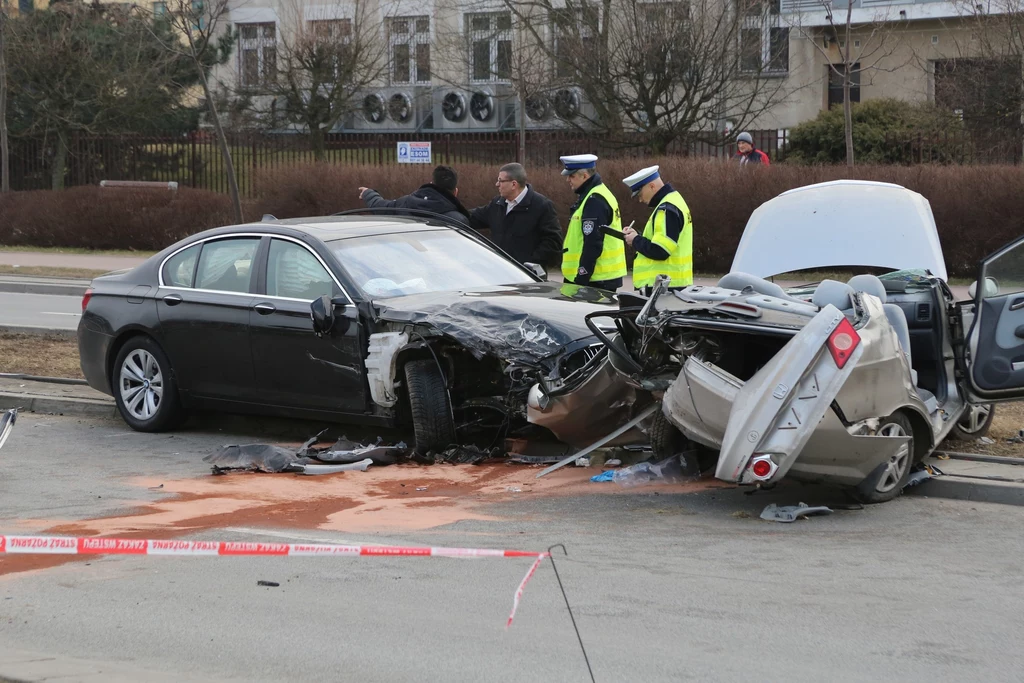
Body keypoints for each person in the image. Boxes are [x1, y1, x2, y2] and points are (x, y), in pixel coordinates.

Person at [467, 162, 562, 268]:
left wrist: (530, 264)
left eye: (500, 181)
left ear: (514, 184)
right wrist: (450, 211)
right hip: (499, 271)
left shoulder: (541, 206)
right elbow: (473, 217)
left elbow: (553, 242)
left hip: (527, 277)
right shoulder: (497, 203)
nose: (497, 184)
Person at [558, 154, 626, 292]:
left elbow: (593, 244)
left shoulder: (595, 200)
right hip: (598, 277)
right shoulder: (595, 194)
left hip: (594, 280)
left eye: (571, 176)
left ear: (584, 176)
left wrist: (581, 279)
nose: (567, 180)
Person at [621, 165, 693, 294]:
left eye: (640, 194)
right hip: (672, 285)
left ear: (652, 186)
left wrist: (636, 240)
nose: (640, 199)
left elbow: (660, 251)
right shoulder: (673, 201)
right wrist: (638, 236)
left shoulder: (666, 209)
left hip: (662, 287)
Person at [358, 165, 471, 226]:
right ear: (455, 192)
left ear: (431, 185)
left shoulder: (405, 203)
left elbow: (381, 207)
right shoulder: (458, 220)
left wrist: (368, 193)